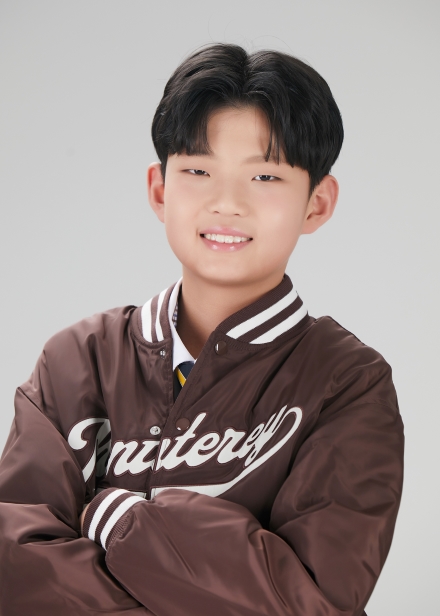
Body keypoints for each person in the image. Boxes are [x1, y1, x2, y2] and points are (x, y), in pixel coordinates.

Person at [0, 43, 404, 615]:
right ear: (159, 190)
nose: (227, 202)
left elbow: (314, 602)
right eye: (197, 170)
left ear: (317, 204)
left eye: (264, 175)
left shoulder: (347, 383)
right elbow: (15, 571)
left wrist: (121, 520)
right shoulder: (77, 361)